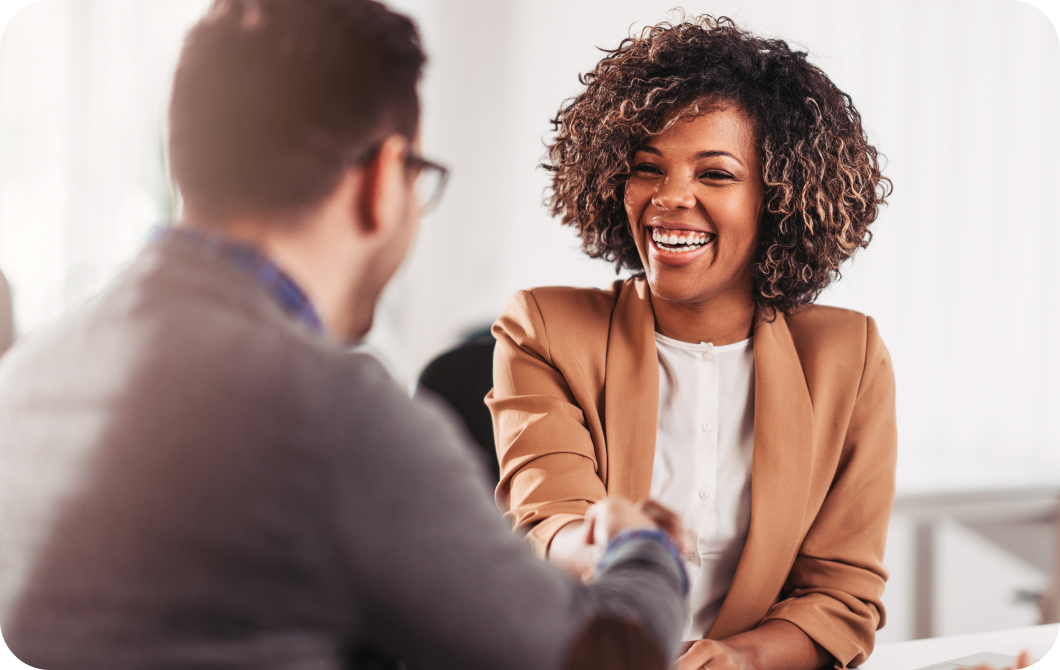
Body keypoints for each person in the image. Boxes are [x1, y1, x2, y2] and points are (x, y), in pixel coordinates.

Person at [0, 1, 691, 668]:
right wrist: (643, 550)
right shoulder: (330, 416)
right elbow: (603, 655)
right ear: (383, 179)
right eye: (419, 177)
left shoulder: (32, 377)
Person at [488, 16, 896, 670]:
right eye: (648, 168)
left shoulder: (848, 357)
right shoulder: (545, 328)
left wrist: (739, 659)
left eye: (715, 174)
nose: (670, 198)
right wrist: (607, 543)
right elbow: (547, 521)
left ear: (778, 198)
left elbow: (840, 596)